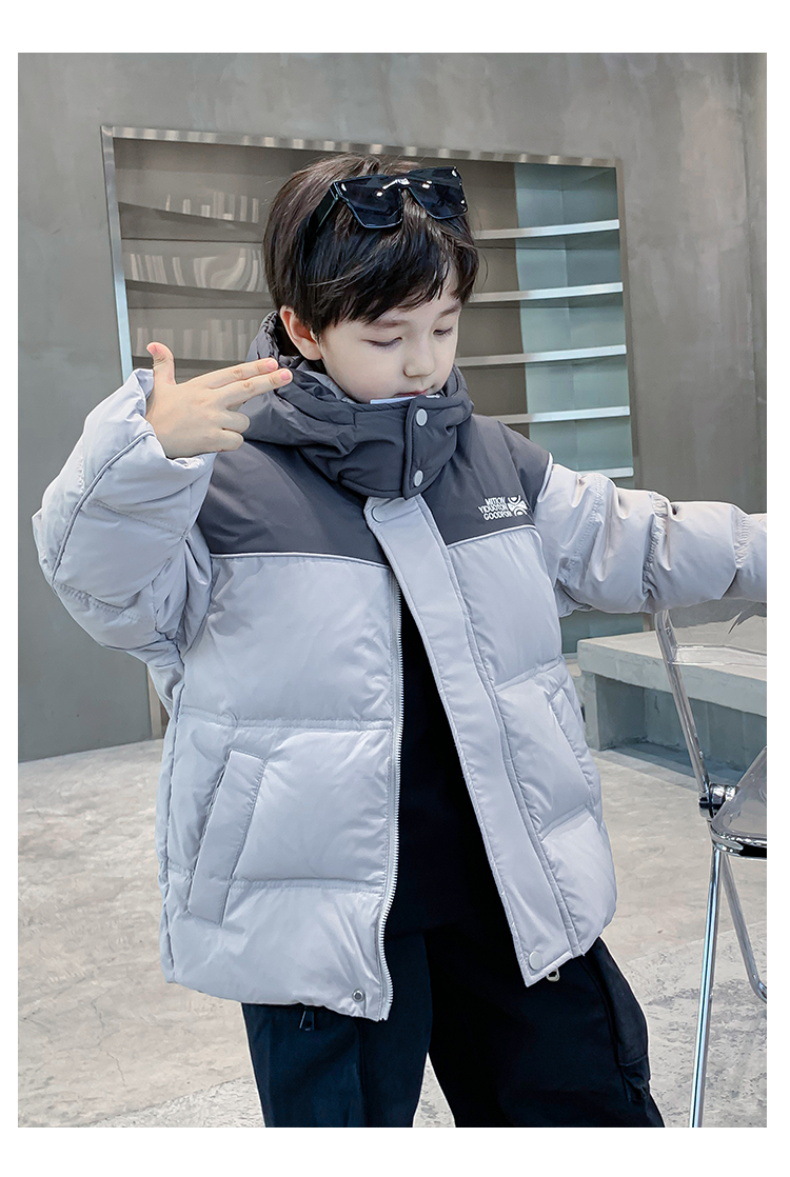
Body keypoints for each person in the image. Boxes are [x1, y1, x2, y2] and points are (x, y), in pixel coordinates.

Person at [31, 153, 766, 1128]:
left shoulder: (491, 461)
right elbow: (99, 585)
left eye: (444, 327)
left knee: (586, 1105)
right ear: (303, 327)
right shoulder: (218, 482)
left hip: (506, 885)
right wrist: (138, 459)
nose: (423, 362)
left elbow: (639, 539)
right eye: (387, 335)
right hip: (319, 911)